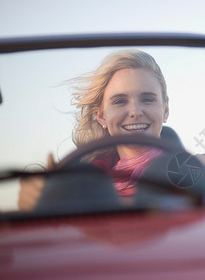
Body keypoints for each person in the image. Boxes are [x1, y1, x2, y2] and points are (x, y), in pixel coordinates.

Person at [19, 49, 170, 210]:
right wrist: (39, 200)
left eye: (147, 99)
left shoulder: (194, 174)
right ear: (101, 116)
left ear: (165, 110)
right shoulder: (79, 185)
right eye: (119, 101)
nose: (135, 112)